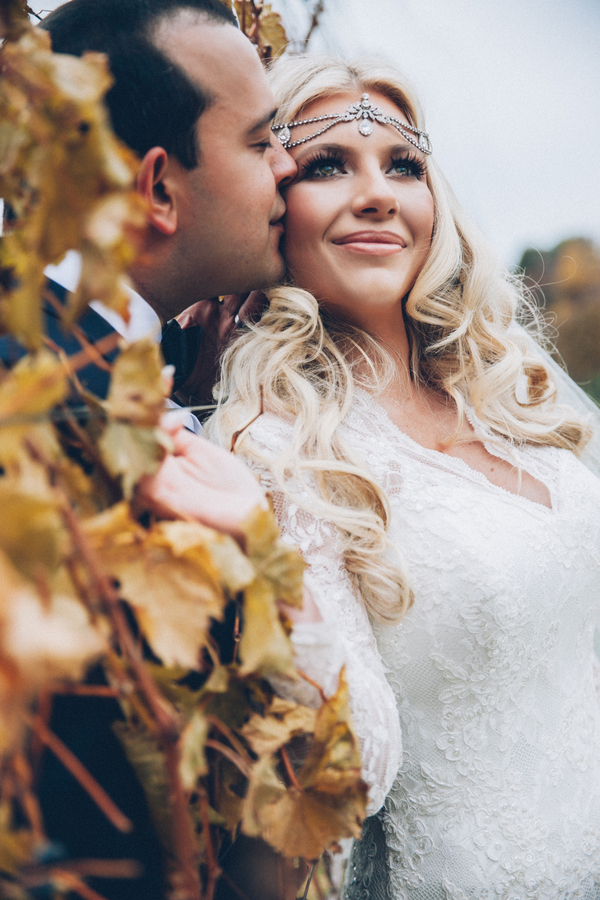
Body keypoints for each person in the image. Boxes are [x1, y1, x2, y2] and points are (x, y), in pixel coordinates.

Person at [202, 54, 600, 898]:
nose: (378, 192)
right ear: (272, 202)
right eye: (327, 165)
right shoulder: (279, 452)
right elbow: (341, 761)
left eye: (403, 165)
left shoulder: (512, 392)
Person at [1, 2, 296, 898]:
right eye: (261, 141)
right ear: (156, 189)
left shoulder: (108, 365)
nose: (291, 165)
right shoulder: (41, 404)